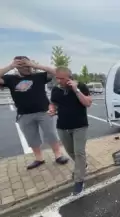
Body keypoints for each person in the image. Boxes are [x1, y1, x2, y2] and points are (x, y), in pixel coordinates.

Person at [0, 56, 69, 169]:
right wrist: (10, 66)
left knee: (51, 134)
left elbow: (57, 72)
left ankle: (58, 155)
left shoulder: (39, 76)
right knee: (31, 138)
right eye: (22, 66)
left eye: (27, 65)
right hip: (24, 114)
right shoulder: (10, 79)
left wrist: (35, 65)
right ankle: (39, 158)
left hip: (44, 112)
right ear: (17, 67)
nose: (26, 68)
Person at [48, 66, 92, 195]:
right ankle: (82, 166)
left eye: (61, 78)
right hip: (62, 126)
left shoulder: (81, 86)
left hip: (80, 126)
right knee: (71, 152)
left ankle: (79, 180)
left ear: (69, 77)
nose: (58, 80)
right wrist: (52, 109)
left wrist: (76, 89)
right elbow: (54, 103)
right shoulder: (55, 89)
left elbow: (88, 103)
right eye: (57, 77)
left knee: (79, 152)